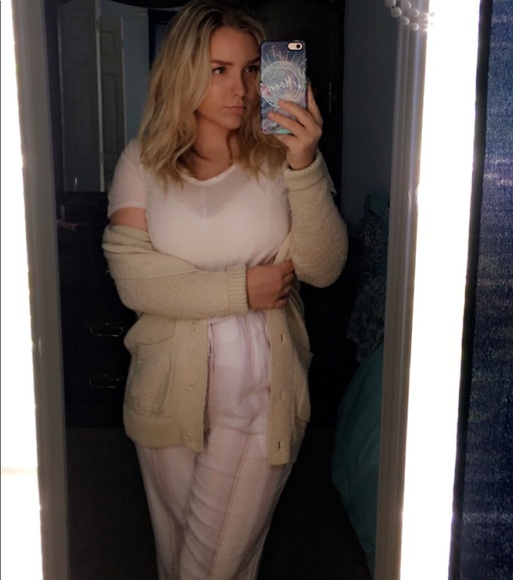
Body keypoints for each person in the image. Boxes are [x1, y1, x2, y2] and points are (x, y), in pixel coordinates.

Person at [102, 1, 348, 578]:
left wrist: (305, 161)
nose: (240, 88)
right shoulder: (143, 162)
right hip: (167, 394)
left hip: (261, 393)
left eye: (251, 69)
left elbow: (322, 268)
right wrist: (242, 288)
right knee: (182, 558)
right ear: (183, 74)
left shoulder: (282, 159)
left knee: (206, 569)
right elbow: (135, 280)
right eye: (219, 70)